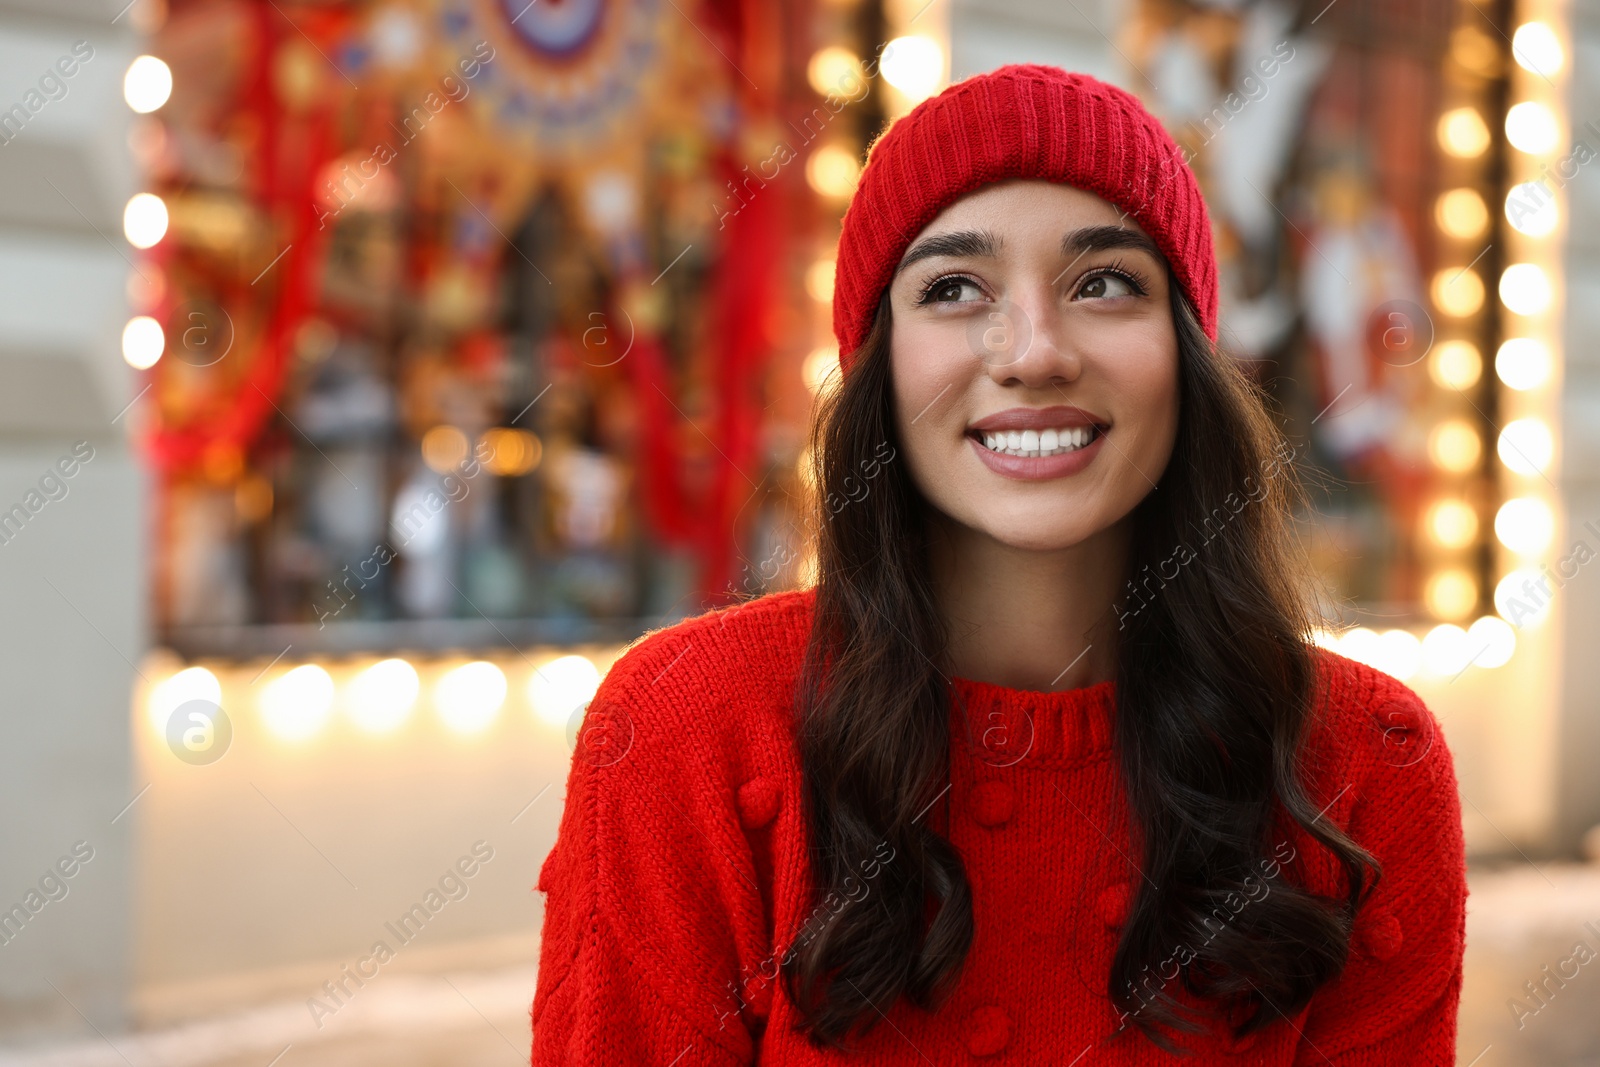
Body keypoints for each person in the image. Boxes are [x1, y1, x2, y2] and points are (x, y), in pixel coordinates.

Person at [530, 63, 1466, 1065]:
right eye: (952, 287)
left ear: (1187, 356)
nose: (1032, 351)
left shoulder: (1366, 763)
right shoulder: (682, 731)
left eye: (1103, 281)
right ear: (877, 367)